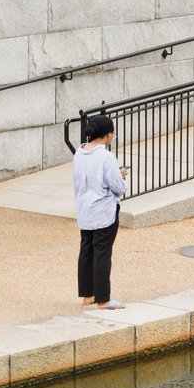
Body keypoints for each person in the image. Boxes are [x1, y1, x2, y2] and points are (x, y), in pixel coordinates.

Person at [73, 114, 129, 310]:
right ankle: (103, 300)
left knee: (86, 252)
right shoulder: (106, 156)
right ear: (107, 135)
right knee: (102, 253)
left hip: (84, 209)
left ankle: (88, 295)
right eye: (112, 133)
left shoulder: (79, 152)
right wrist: (122, 176)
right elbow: (117, 187)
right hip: (103, 211)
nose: (113, 136)